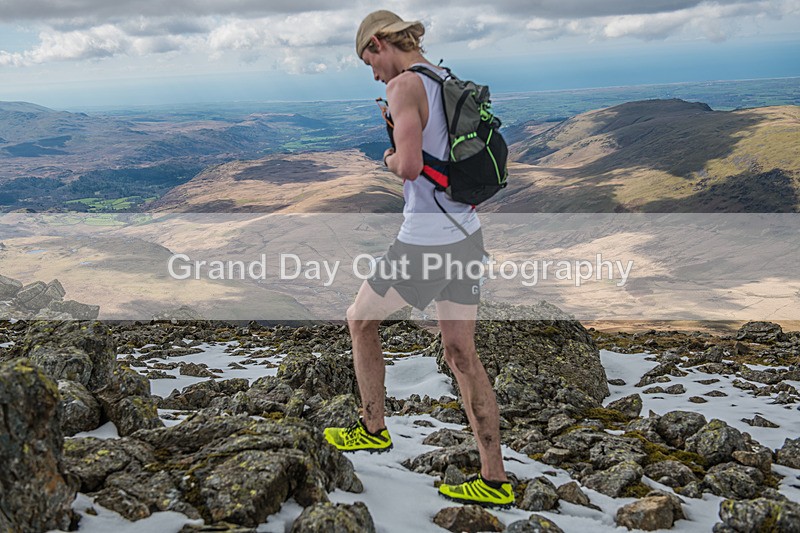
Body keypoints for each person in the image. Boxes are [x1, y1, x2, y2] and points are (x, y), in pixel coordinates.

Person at [323, 10, 513, 508]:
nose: (374, 73)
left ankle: (373, 427)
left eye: (370, 60)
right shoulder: (444, 78)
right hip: (466, 233)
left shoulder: (405, 85)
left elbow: (407, 166)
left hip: (425, 240)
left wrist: (386, 156)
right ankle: (494, 478)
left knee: (360, 319)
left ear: (381, 43)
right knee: (461, 356)